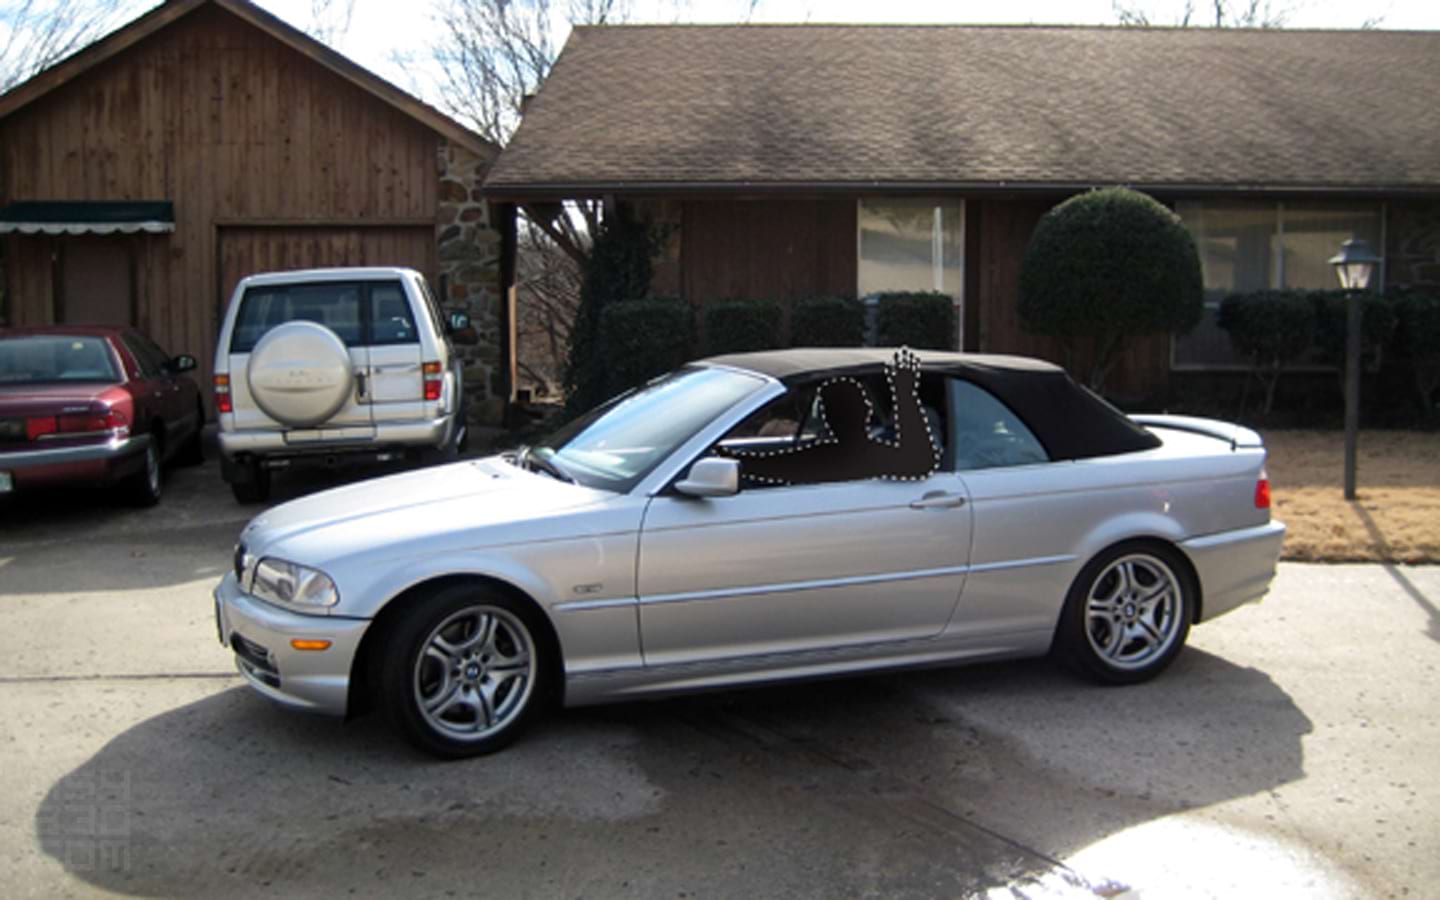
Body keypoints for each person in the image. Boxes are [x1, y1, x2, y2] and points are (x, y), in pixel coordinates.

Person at [724, 347, 940, 486]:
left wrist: (715, 455)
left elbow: (757, 466)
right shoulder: (877, 455)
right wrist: (904, 393)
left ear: (827, 417)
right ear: (866, 412)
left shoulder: (820, 458)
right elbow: (920, 461)